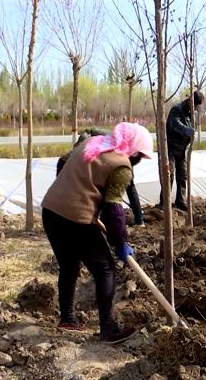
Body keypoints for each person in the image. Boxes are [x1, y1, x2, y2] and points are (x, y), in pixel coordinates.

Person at [42, 122, 153, 344]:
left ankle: (68, 319)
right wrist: (120, 241)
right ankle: (109, 330)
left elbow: (63, 161)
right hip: (76, 219)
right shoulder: (121, 167)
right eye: (139, 155)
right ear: (133, 150)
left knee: (69, 266)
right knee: (105, 269)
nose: (139, 159)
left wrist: (72, 188)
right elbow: (114, 209)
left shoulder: (93, 143)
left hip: (51, 211)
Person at [58, 128, 145, 226]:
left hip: (118, 155)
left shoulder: (90, 143)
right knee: (127, 188)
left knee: (129, 187)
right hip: (119, 155)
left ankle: (138, 220)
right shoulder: (95, 141)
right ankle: (138, 220)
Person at [160, 90, 204, 211]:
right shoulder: (177, 109)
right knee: (170, 175)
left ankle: (181, 201)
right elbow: (174, 123)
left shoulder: (192, 113)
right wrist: (185, 130)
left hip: (183, 150)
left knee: (182, 176)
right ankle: (164, 202)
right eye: (194, 106)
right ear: (190, 100)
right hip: (171, 148)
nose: (195, 109)